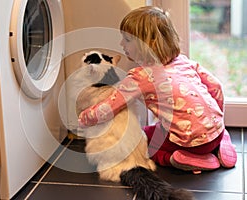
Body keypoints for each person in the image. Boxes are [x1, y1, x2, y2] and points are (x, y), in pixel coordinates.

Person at [78, 6, 237, 173]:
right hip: (216, 130)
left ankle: (188, 158)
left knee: (144, 142)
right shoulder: (184, 62)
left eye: (127, 39)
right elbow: (216, 86)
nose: (121, 43)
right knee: (164, 130)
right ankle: (221, 141)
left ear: (147, 44)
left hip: (191, 144)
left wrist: (84, 118)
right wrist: (214, 120)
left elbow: (110, 106)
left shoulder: (141, 77)